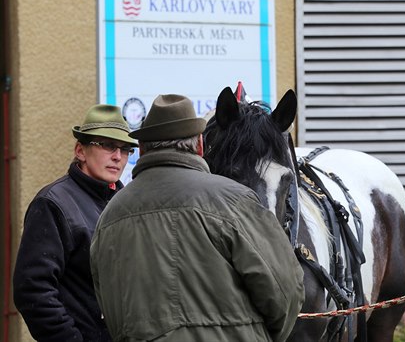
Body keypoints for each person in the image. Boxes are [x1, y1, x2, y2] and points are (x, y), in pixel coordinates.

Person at [90, 94, 305, 342]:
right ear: (200, 146)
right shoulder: (235, 200)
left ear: (142, 149)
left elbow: (108, 307)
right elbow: (285, 290)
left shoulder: (109, 215)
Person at [13, 104, 137, 342]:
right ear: (80, 150)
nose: (117, 156)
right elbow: (32, 290)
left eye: (125, 149)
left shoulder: (124, 204)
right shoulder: (53, 204)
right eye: (108, 145)